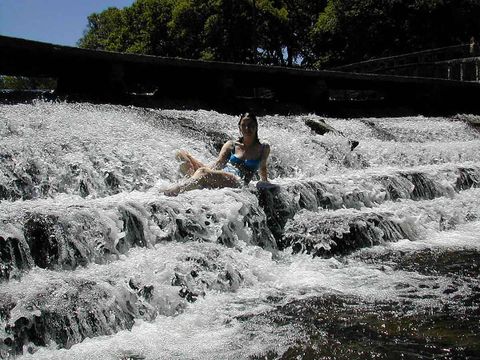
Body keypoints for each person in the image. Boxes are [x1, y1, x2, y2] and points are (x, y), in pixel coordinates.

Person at [164, 113, 270, 196]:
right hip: (224, 174)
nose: (247, 129)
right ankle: (194, 182)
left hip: (238, 181)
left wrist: (265, 183)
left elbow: (263, 168)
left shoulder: (263, 148)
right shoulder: (231, 145)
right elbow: (218, 163)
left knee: (202, 172)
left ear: (256, 127)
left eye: (251, 125)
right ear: (240, 127)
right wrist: (206, 170)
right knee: (181, 154)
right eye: (244, 125)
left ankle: (176, 190)